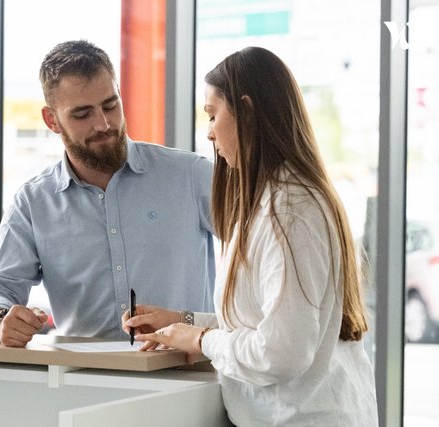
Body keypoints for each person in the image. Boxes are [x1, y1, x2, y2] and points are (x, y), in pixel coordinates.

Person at [122, 46, 378, 426]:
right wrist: (185, 322)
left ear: (247, 111)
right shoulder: (275, 201)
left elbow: (280, 353)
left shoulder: (289, 212)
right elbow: (268, 322)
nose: (208, 133)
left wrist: (200, 338)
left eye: (213, 115)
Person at [0, 40, 216, 347]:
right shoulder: (34, 203)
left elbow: (263, 255)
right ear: (51, 120)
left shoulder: (190, 175)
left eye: (110, 105)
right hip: (84, 382)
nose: (104, 124)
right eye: (82, 114)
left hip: (186, 378)